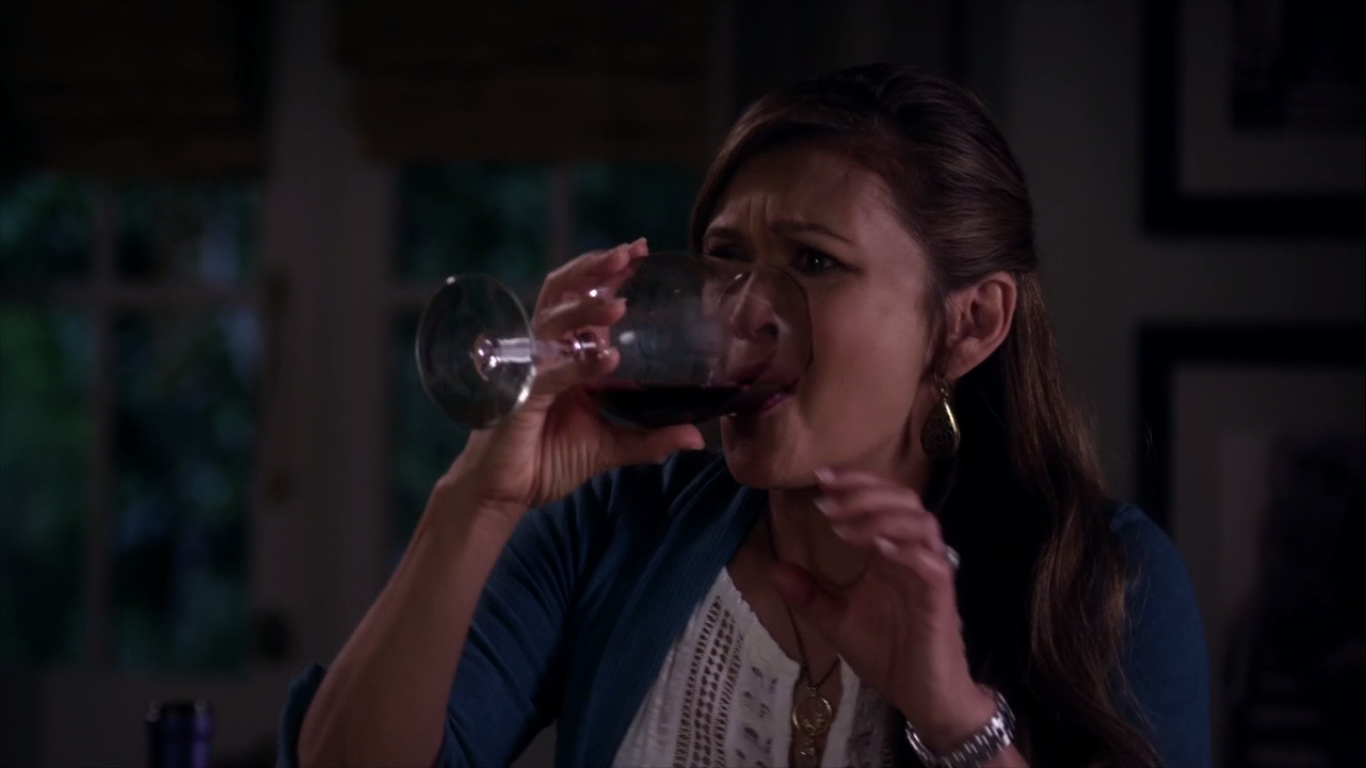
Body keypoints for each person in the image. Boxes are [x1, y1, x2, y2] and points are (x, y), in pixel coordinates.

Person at [279, 63, 1210, 767]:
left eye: (814, 262)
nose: (744, 311)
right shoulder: (615, 528)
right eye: (726, 259)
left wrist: (953, 717)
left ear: (968, 325)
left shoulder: (1103, 582)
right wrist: (478, 497)